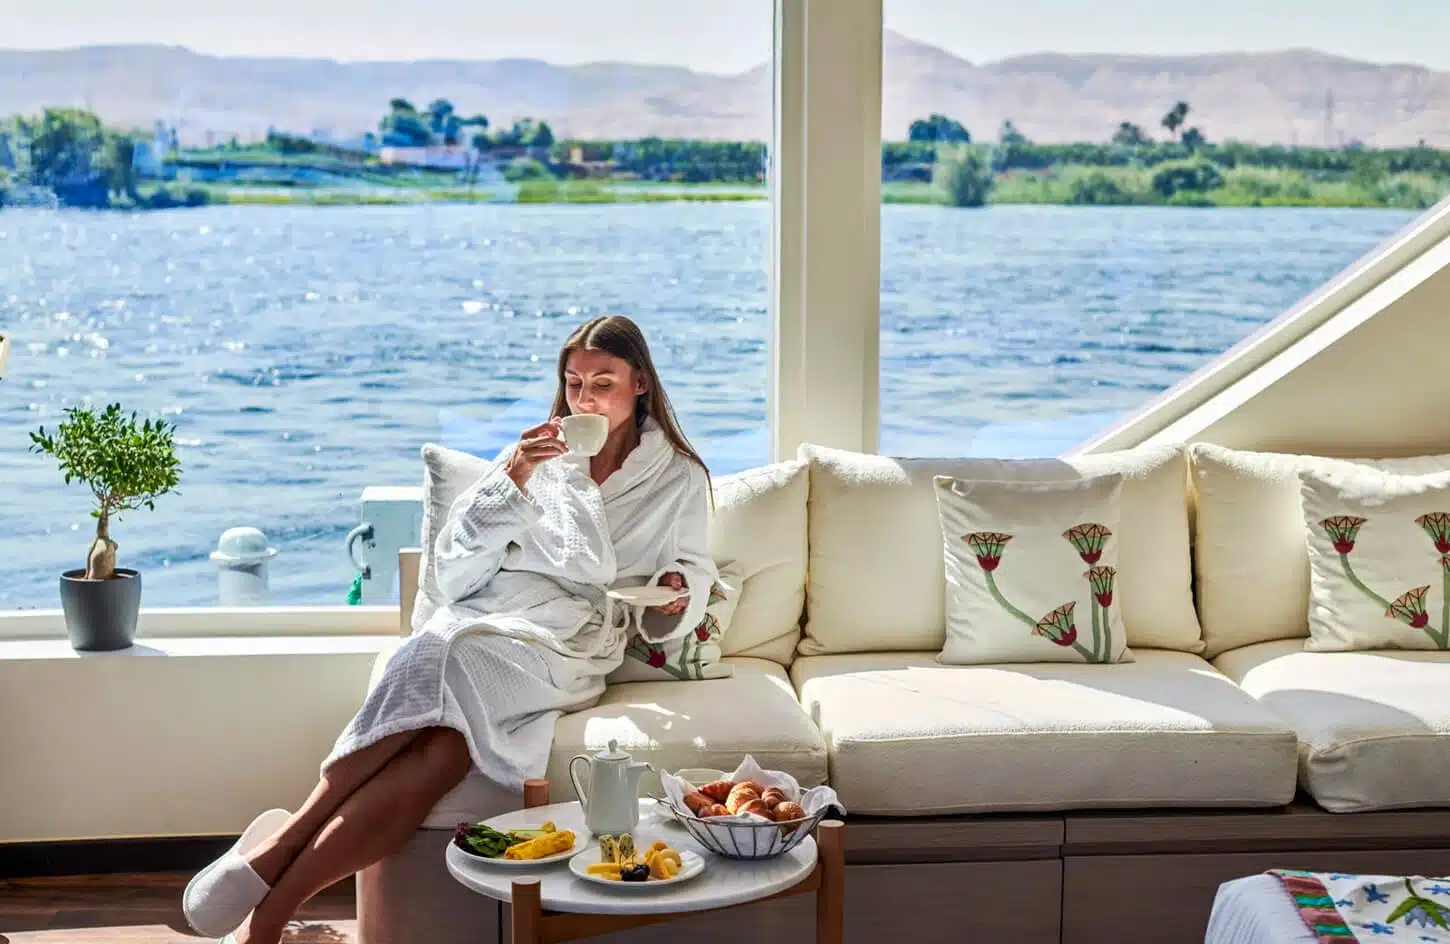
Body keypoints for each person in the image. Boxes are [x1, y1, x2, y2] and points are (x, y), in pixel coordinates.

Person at [182, 316, 716, 944]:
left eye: (603, 384)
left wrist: (676, 596)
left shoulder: (677, 476)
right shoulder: (537, 458)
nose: (585, 400)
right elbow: (456, 572)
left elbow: (688, 574)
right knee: (443, 748)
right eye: (574, 385)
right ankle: (270, 917)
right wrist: (510, 479)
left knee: (445, 653)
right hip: (486, 610)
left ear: (641, 385)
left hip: (567, 640)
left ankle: (278, 850)